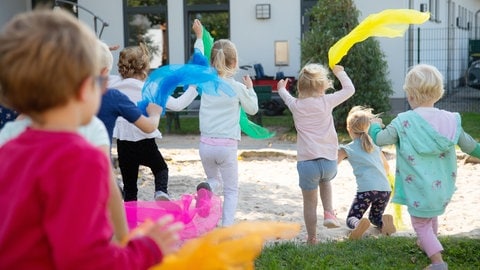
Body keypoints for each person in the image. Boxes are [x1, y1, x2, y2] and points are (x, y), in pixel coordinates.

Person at [0, 9, 182, 268]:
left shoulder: (8, 150)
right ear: (87, 87)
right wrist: (147, 250)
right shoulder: (80, 159)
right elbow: (88, 261)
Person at [369, 64, 480, 270]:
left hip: (419, 189)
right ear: (438, 92)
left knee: (420, 223)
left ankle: (438, 263)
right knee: (430, 217)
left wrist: (374, 125)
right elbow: (470, 145)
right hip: (442, 188)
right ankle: (427, 242)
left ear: (410, 95)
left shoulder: (403, 121)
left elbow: (381, 139)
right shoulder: (451, 120)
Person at [277, 64, 355, 245]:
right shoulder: (326, 101)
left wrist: (281, 88)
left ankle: (312, 238)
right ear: (322, 86)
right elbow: (350, 89)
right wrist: (340, 72)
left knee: (309, 204)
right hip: (329, 162)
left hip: (307, 165)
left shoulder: (296, 105)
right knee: (325, 181)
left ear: (300, 87)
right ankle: (329, 212)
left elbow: (285, 97)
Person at [110, 43, 197, 202]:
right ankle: (160, 192)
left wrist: (103, 52)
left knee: (130, 189)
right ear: (144, 67)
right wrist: (193, 87)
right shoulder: (151, 88)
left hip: (123, 145)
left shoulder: (113, 83)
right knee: (160, 168)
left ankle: (130, 223)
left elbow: (91, 74)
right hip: (145, 141)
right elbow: (178, 105)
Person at [193, 22, 259, 227]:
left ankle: (209, 186)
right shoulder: (237, 87)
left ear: (212, 62)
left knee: (214, 181)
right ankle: (226, 228)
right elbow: (252, 109)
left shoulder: (205, 83)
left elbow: (198, 57)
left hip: (205, 145)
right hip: (227, 146)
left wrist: (199, 37)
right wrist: (250, 89)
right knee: (231, 190)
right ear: (235, 61)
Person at [337, 106, 396, 240]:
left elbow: (333, 165)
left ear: (349, 129)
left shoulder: (347, 148)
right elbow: (386, 168)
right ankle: (383, 223)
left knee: (352, 218)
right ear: (367, 128)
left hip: (366, 191)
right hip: (385, 190)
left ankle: (358, 224)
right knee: (374, 218)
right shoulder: (375, 146)